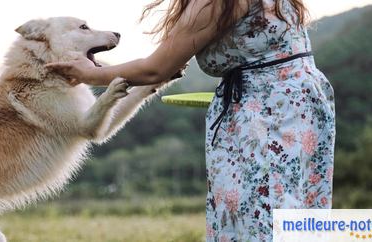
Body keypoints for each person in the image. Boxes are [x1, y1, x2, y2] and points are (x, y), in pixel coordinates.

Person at [47, 0, 335, 241]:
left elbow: (154, 70)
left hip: (268, 115)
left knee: (260, 216)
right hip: (296, 104)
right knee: (290, 213)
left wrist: (87, 73)